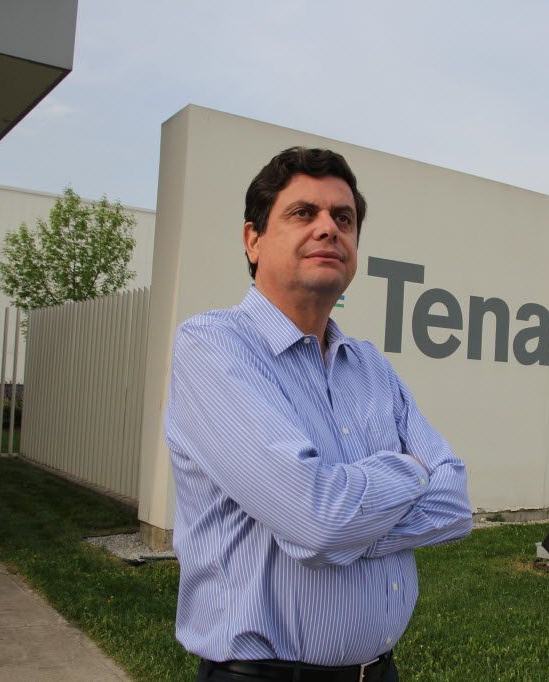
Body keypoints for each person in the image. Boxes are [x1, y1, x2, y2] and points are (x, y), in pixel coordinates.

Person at [165, 146, 473, 681]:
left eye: (344, 218)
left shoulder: (371, 367)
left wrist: (344, 533)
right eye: (303, 213)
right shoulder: (213, 348)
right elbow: (319, 518)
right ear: (253, 239)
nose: (329, 228)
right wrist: (411, 471)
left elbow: (456, 504)